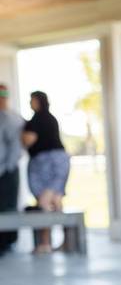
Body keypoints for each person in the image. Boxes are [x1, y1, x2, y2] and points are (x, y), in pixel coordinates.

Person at [22, 91, 71, 253]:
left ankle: (44, 243)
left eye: (32, 100)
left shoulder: (37, 119)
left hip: (45, 162)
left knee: (44, 200)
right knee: (56, 200)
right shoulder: (51, 118)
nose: (30, 103)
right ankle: (67, 241)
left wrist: (21, 134)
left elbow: (28, 140)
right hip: (61, 160)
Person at [0, 84, 24, 255]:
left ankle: (7, 242)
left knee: (8, 207)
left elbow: (15, 147)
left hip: (7, 171)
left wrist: (7, 168)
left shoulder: (11, 118)